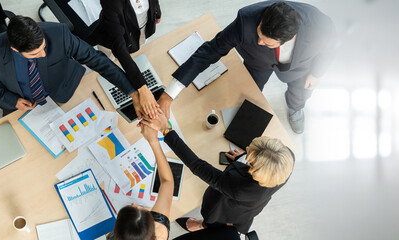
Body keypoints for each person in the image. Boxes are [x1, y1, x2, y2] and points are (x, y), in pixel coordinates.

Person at [158, 1, 336, 134]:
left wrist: (316, 73)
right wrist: (168, 95)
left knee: (300, 93)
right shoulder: (246, 20)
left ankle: (296, 108)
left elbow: (330, 48)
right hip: (257, 63)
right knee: (250, 95)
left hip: (300, 69)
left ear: (288, 39)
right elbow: (209, 51)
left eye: (266, 43)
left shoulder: (320, 27)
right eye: (259, 35)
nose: (259, 42)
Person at [141, 111, 295, 235]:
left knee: (213, 219)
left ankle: (203, 225)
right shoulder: (285, 158)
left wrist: (166, 130)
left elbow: (197, 166)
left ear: (256, 171)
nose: (246, 151)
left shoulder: (239, 188)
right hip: (252, 205)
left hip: (228, 212)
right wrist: (245, 158)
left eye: (250, 159)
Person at [0, 16, 140, 116]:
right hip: (19, 106)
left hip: (63, 92)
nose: (43, 54)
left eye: (43, 47)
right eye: (34, 54)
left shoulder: (59, 34)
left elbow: (96, 59)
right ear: (15, 50)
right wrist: (12, 100)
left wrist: (133, 93)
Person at [84, 0, 162, 119]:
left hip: (140, 28)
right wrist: (142, 88)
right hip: (112, 38)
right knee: (107, 60)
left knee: (136, 48)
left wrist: (157, 11)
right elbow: (118, 47)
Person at [109, 116, 174, 240]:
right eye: (141, 208)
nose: (134, 203)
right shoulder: (160, 231)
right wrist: (153, 141)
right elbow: (168, 182)